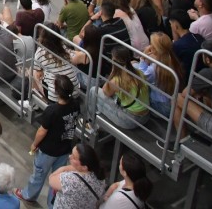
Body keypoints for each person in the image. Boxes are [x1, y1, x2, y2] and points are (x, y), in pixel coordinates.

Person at [15, 75, 80, 203]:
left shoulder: (52, 110)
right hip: (65, 148)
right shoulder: (76, 105)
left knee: (38, 175)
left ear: (56, 92)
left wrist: (34, 144)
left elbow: (42, 131)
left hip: (48, 150)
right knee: (57, 178)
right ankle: (53, 202)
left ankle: (29, 195)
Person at [96, 46, 150, 129]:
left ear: (114, 61)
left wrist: (113, 72)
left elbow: (105, 92)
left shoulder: (116, 80)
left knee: (94, 91)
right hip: (146, 116)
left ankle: (91, 123)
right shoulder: (139, 72)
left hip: (130, 120)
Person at [49, 143, 106, 209]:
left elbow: (51, 179)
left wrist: (64, 168)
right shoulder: (99, 177)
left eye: (74, 157)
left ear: (84, 167)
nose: (69, 156)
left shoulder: (70, 179)